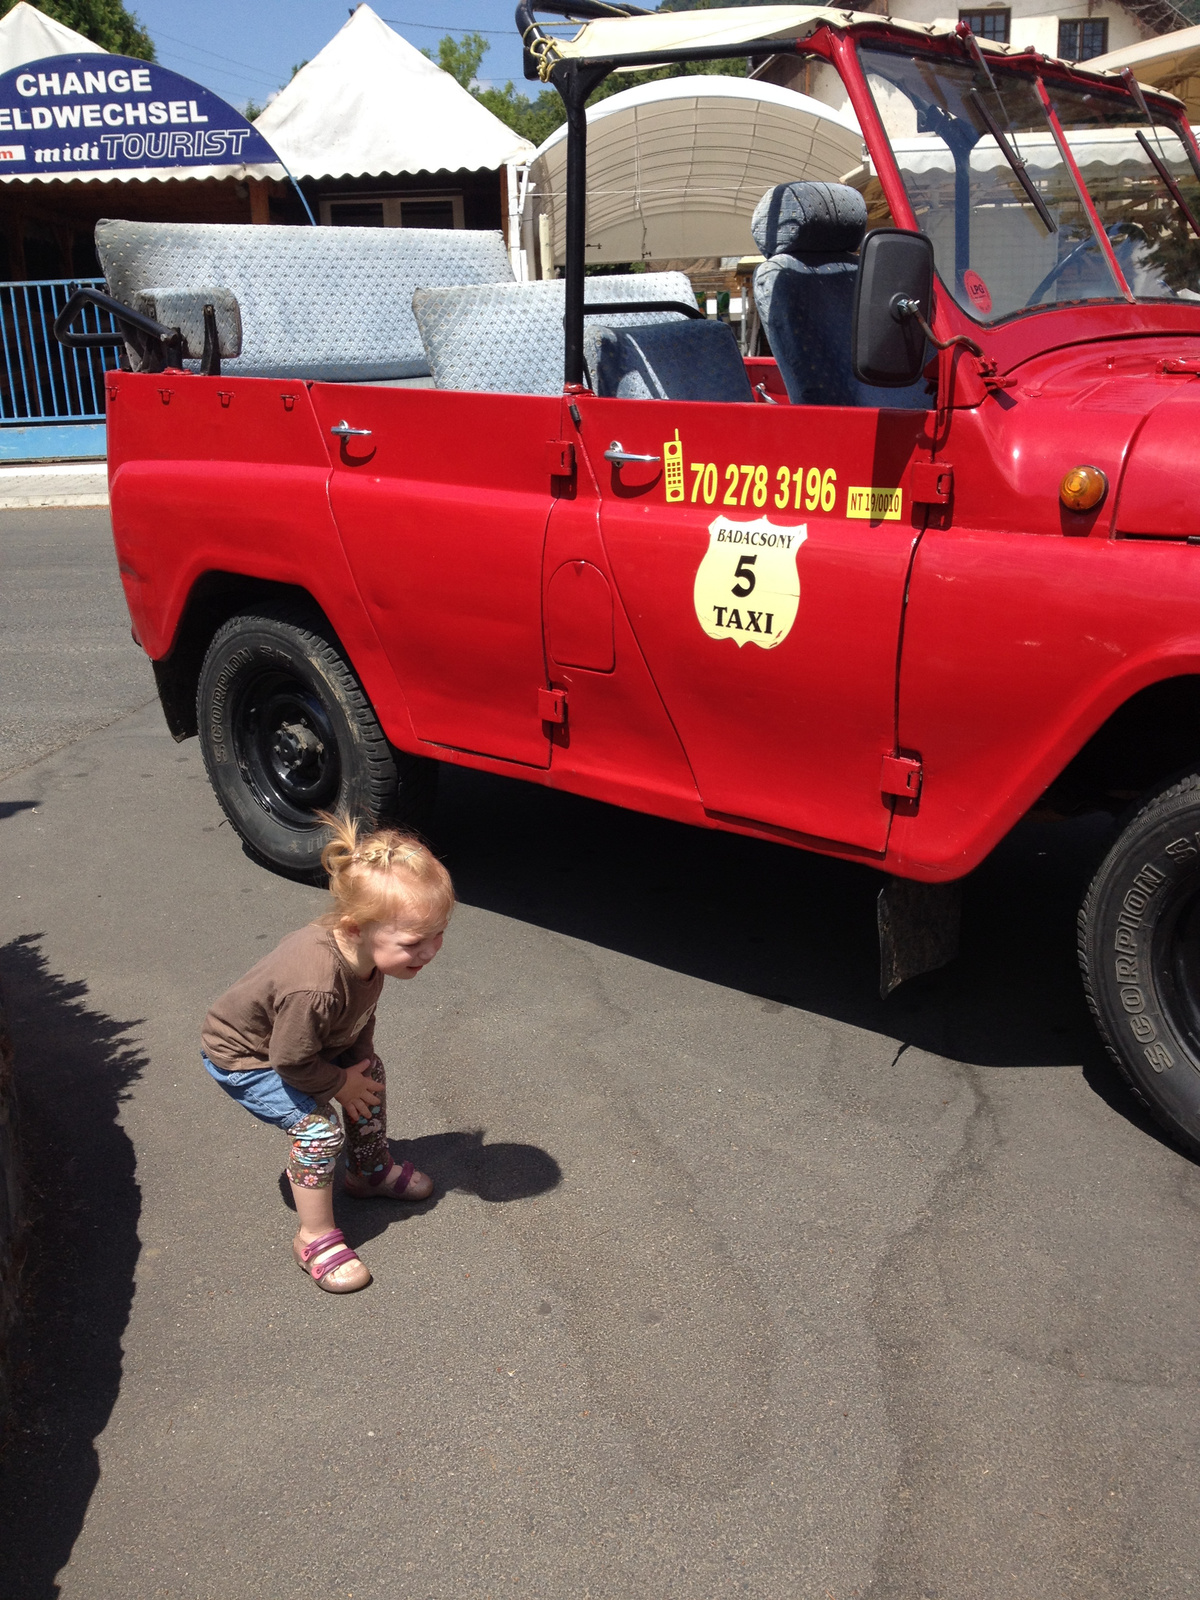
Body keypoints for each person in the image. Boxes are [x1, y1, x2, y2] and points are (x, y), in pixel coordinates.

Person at [201, 814, 454, 1294]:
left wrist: (356, 1069)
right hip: (249, 1057)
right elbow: (291, 1060)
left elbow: (359, 1019)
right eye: (414, 942)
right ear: (356, 928)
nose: (429, 952)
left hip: (305, 1043)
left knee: (369, 1071)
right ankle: (313, 1236)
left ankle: (368, 1170)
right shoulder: (314, 986)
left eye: (437, 935)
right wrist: (340, 1084)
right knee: (318, 1131)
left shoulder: (371, 960)